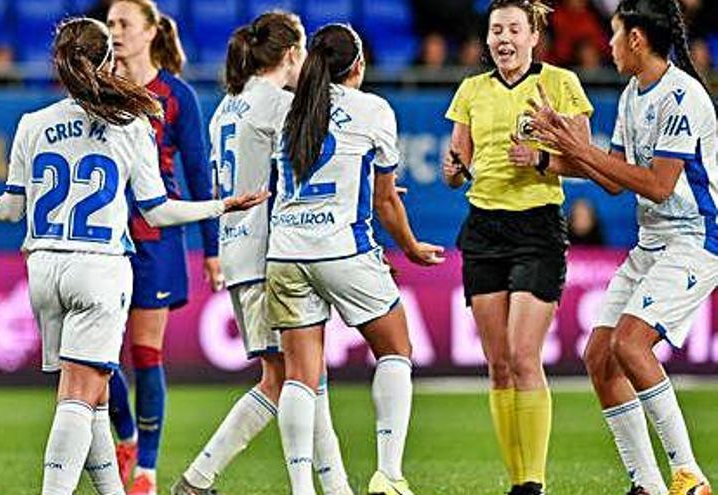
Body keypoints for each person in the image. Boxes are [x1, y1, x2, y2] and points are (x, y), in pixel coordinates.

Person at [0, 18, 266, 495]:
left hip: (43, 269)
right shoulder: (131, 124)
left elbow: (11, 209)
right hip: (99, 267)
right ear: (108, 62)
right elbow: (157, 211)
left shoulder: (33, 124)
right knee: (78, 394)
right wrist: (222, 205)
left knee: (92, 397)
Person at [527, 1, 716, 494]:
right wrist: (548, 158)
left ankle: (690, 477)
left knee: (630, 344)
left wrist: (576, 144)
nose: (606, 46)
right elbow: (612, 177)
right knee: (600, 357)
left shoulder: (682, 97)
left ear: (635, 39)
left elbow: (656, 185)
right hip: (653, 241)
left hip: (696, 240)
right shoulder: (634, 93)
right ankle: (647, 484)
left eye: (613, 35)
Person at [171, 12, 352, 495]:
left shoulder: (227, 106)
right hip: (273, 251)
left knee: (305, 375)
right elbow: (303, 175)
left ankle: (337, 488)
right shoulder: (278, 105)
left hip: (238, 249)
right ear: (293, 54)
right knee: (286, 380)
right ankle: (198, 478)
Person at [268, 23, 444, 495]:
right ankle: (388, 472)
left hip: (284, 251)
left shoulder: (286, 108)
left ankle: (302, 488)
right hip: (343, 250)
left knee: (300, 378)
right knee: (395, 348)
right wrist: (409, 246)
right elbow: (387, 201)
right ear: (358, 66)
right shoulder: (373, 110)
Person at [442, 1, 594, 494]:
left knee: (525, 356)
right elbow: (457, 163)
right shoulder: (471, 90)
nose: (503, 38)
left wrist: (542, 159)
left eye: (512, 29)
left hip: (536, 230)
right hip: (484, 231)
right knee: (499, 364)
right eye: (495, 30)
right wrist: (453, 172)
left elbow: (587, 159)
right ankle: (516, 481)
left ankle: (534, 481)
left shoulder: (561, 84)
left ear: (534, 36)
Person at [105, 2, 222, 492]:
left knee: (146, 353)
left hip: (156, 239)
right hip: (105, 238)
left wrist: (212, 249)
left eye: (123, 24)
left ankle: (147, 469)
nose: (114, 32)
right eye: (109, 24)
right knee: (102, 358)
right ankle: (126, 433)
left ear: (151, 31)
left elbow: (198, 172)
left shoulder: (176, 95)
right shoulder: (98, 87)